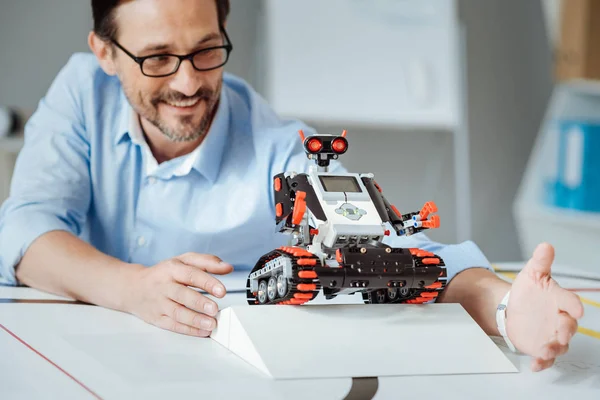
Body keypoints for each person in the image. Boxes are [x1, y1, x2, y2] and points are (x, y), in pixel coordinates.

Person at [0, 0, 583, 373]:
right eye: (156, 58)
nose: (188, 82)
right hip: (75, 363)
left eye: (207, 50)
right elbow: (24, 229)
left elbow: (393, 256)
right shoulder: (83, 94)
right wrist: (132, 288)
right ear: (104, 52)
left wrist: (503, 305)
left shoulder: (282, 150)